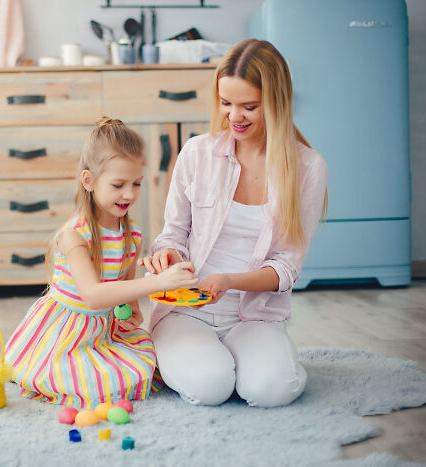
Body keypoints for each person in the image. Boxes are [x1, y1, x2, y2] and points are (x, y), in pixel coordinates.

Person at [139, 39, 328, 408]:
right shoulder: (197, 153)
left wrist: (230, 282)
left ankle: (254, 359)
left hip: (253, 315)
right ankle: (185, 355)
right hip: (186, 310)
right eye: (226, 103)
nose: (234, 116)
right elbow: (171, 236)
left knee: (270, 390)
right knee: (211, 387)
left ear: (276, 102)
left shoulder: (308, 168)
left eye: (249, 106)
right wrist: (168, 259)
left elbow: (286, 268)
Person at [4, 116, 197, 409]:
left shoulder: (131, 236)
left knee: (145, 360)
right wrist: (158, 282)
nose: (129, 194)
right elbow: (93, 296)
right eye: (118, 184)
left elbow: (124, 295)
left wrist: (130, 313)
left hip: (102, 331)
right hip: (65, 334)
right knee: (96, 381)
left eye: (137, 183)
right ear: (89, 181)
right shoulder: (74, 235)